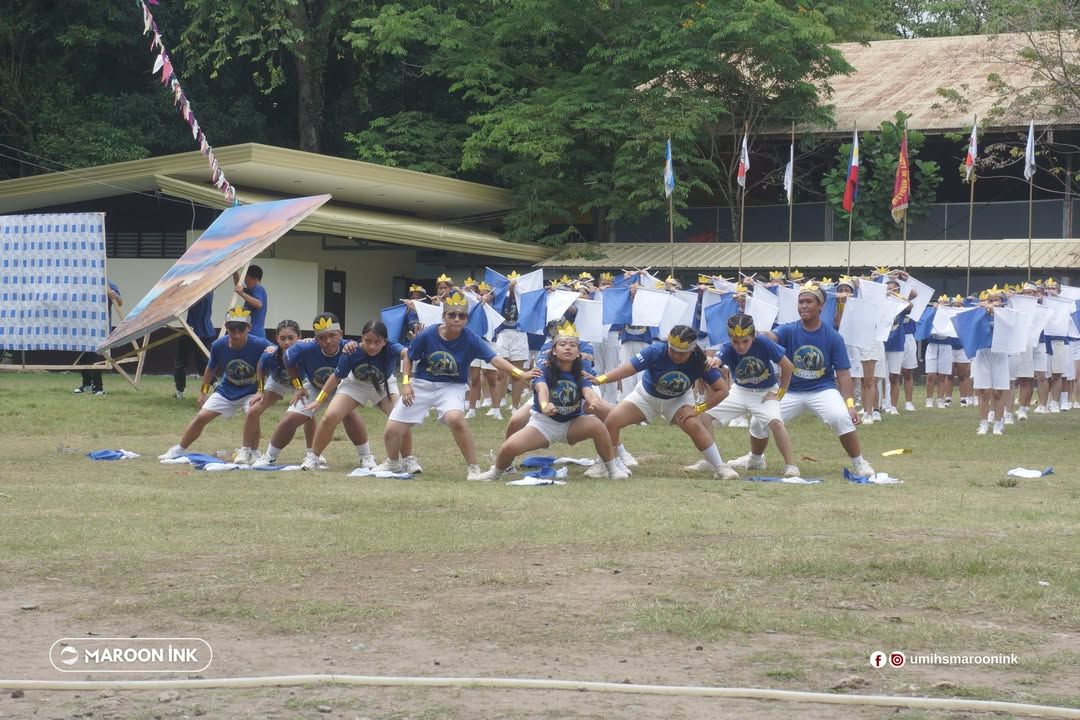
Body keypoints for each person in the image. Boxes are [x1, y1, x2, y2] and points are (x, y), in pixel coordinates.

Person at [375, 292, 539, 480]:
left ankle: (473, 469)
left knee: (456, 418)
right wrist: (406, 384)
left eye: (461, 316)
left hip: (452, 386)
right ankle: (393, 463)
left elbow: (496, 360)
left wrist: (520, 374)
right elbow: (409, 358)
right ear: (443, 317)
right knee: (392, 430)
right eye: (451, 315)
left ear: (467, 319)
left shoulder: (470, 338)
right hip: (422, 383)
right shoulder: (428, 334)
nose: (456, 319)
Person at [728, 283, 876, 478]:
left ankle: (859, 462)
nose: (804, 306)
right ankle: (755, 459)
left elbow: (843, 375)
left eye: (809, 301)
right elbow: (772, 336)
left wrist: (849, 404)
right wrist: (753, 333)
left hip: (822, 390)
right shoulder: (789, 330)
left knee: (841, 418)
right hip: (790, 390)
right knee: (758, 421)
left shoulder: (833, 336)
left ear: (821, 306)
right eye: (801, 302)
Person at [473, 322, 630, 481]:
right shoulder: (545, 367)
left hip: (572, 423)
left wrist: (594, 401)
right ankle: (496, 473)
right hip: (544, 424)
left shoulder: (581, 369)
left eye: (572, 345)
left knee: (597, 425)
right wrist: (544, 405)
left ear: (578, 352)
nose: (568, 348)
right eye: (562, 344)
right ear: (554, 350)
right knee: (509, 447)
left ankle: (612, 467)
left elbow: (587, 390)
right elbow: (542, 388)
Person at [592, 325, 738, 480]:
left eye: (681, 353)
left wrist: (698, 409)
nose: (675, 355)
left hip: (678, 400)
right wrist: (600, 379)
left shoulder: (701, 361)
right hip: (645, 397)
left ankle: (720, 466)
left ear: (692, 350)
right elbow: (628, 369)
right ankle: (605, 463)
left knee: (693, 424)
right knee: (613, 419)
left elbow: (722, 390)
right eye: (672, 349)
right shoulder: (655, 351)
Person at [252, 312, 372, 468]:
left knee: (348, 414)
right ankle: (270, 456)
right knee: (291, 418)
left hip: (342, 387)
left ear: (340, 333)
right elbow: (288, 358)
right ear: (315, 338)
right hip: (315, 386)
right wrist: (298, 387)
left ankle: (366, 456)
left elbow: (371, 352)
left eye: (332, 336)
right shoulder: (305, 347)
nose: (327, 341)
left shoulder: (349, 347)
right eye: (321, 337)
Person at [301, 320, 420, 472]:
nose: (372, 346)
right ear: (361, 338)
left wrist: (406, 383)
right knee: (330, 416)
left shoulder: (391, 346)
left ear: (385, 341)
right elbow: (336, 377)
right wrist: (319, 400)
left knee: (401, 418)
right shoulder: (352, 351)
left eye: (377, 342)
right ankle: (314, 456)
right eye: (368, 341)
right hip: (354, 384)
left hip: (383, 385)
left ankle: (407, 459)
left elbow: (408, 355)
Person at [693, 314, 800, 477]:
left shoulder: (764, 342)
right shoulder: (728, 348)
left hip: (765, 391)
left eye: (745, 341)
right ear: (730, 338)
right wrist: (711, 361)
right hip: (740, 391)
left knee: (776, 423)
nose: (740, 346)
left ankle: (791, 466)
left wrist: (780, 394)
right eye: (735, 341)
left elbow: (788, 366)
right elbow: (717, 360)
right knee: (705, 416)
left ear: (753, 336)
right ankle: (711, 461)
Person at [158, 308, 272, 459]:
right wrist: (203, 392)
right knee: (201, 417)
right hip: (226, 390)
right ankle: (179, 449)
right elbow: (210, 368)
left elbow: (281, 351)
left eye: (241, 329)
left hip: (251, 391)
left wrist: (292, 345)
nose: (236, 334)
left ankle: (253, 451)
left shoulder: (260, 344)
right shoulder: (219, 345)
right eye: (232, 329)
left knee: (253, 413)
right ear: (226, 327)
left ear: (249, 329)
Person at [231, 320, 314, 465]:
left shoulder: (306, 348)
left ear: (299, 337)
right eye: (283, 338)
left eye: (291, 338)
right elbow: (260, 366)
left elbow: (321, 344)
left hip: (303, 384)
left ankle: (312, 452)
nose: (287, 342)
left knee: (308, 414)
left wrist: (311, 340)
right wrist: (260, 390)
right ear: (277, 339)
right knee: (253, 410)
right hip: (277, 383)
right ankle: (247, 450)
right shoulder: (271, 353)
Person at [74, 281, 122, 396]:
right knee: (85, 358)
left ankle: (98, 387)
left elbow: (120, 303)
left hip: (101, 328)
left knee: (97, 358)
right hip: (86, 327)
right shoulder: (87, 283)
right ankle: (87, 384)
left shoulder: (109, 284)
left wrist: (113, 295)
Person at [173, 292, 216, 400]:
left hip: (192, 329)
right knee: (204, 364)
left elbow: (184, 303)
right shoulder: (209, 288)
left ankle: (180, 392)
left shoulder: (199, 289)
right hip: (206, 331)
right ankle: (216, 387)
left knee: (181, 363)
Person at [232, 265, 268, 338]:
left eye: (246, 279)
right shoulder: (252, 292)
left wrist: (242, 293)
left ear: (254, 279)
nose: (245, 282)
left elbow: (258, 304)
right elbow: (239, 287)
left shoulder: (258, 288)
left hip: (254, 333)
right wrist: (234, 272)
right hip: (253, 332)